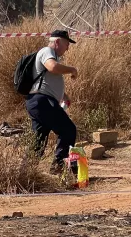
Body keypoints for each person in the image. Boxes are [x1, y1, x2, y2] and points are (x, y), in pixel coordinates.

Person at [26, 30, 78, 174]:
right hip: (42, 101)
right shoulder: (47, 51)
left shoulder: (52, 55)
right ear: (57, 42)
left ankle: (26, 172)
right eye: (67, 44)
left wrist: (63, 95)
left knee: (39, 139)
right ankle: (58, 166)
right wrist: (72, 69)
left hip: (38, 102)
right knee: (68, 129)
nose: (68, 48)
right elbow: (52, 67)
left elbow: (48, 79)